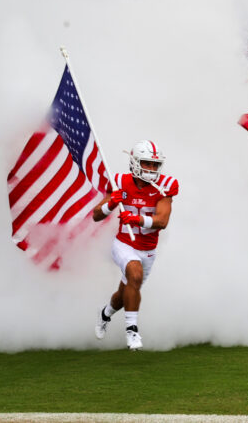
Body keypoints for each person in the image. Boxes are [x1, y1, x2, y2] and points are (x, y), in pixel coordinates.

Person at [92, 140, 178, 350]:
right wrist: (112, 203)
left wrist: (136, 219)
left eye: (155, 165)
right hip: (124, 243)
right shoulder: (119, 181)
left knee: (125, 294)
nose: (151, 169)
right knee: (135, 274)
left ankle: (105, 314)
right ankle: (132, 331)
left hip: (148, 249)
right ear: (136, 162)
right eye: (147, 163)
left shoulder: (165, 186)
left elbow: (162, 221)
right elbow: (96, 215)